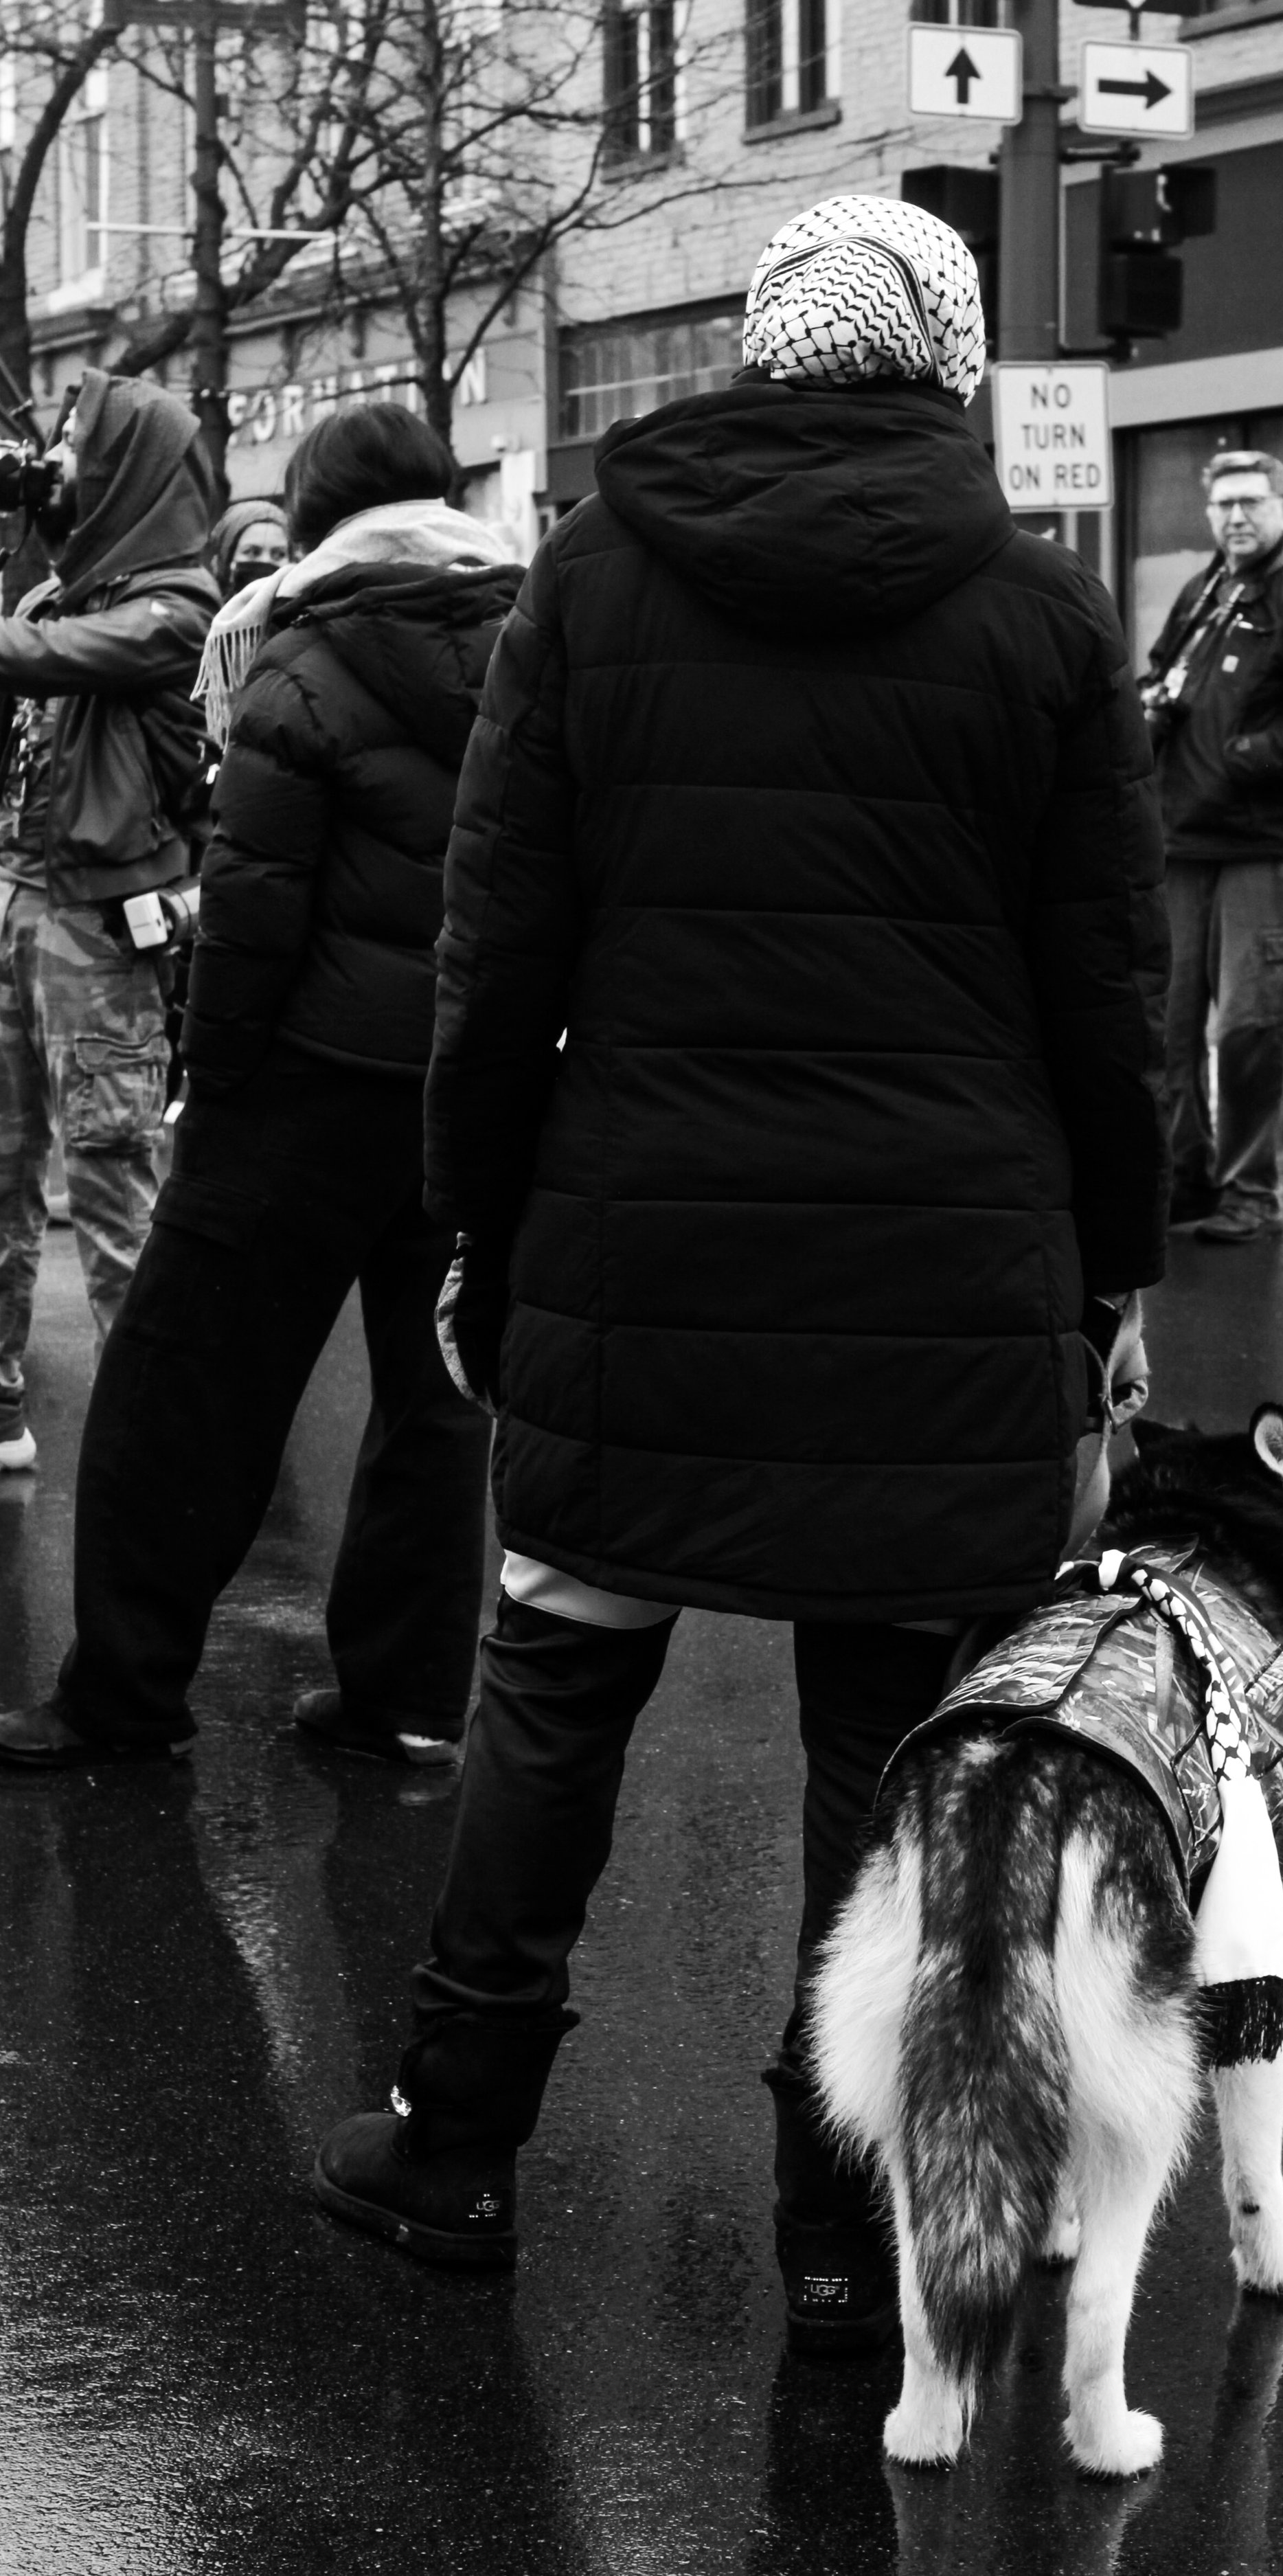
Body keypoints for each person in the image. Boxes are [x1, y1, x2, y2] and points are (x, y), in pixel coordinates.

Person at [309, 196, 1171, 2349]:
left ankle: (456, 2131)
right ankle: (838, 2205)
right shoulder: (1044, 619)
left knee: (554, 1679)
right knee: (889, 1743)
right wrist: (1105, 1274)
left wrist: (479, 1234)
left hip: (634, 1233)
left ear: (766, 342)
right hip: (943, 1262)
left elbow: (493, 964)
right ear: (945, 355)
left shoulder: (592, 579)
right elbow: (1102, 995)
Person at [0, 400, 523, 1770]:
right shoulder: (542, 647)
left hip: (309, 1081)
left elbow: (253, 905)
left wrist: (209, 1082)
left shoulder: (288, 655)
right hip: (474, 1081)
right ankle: (405, 1702)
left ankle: (123, 1693)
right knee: (435, 1399)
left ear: (316, 514)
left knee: (182, 1385)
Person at [0, 371, 217, 1473]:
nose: (64, 468)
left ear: (132, 469)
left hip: (99, 930)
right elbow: (32, 628)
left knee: (112, 1185)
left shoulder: (178, 610)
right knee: (1, 1173)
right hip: (17, 907)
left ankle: (157, 1447)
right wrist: (34, 532)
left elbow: (40, 655)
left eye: (83, 452)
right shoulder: (75, 589)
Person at [1139, 448, 1283, 1246]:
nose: (1234, 517)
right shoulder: (1206, 591)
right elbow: (1160, 675)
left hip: (1262, 852)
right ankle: (1187, 1181)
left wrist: (1245, 758)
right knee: (1165, 1032)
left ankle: (1250, 1191)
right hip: (1179, 847)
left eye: (1250, 502)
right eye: (1222, 505)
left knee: (1249, 1028)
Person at [209, 497, 290, 598]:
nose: (266, 561)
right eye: (252, 552)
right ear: (227, 559)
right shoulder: (204, 611)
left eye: (279, 554)